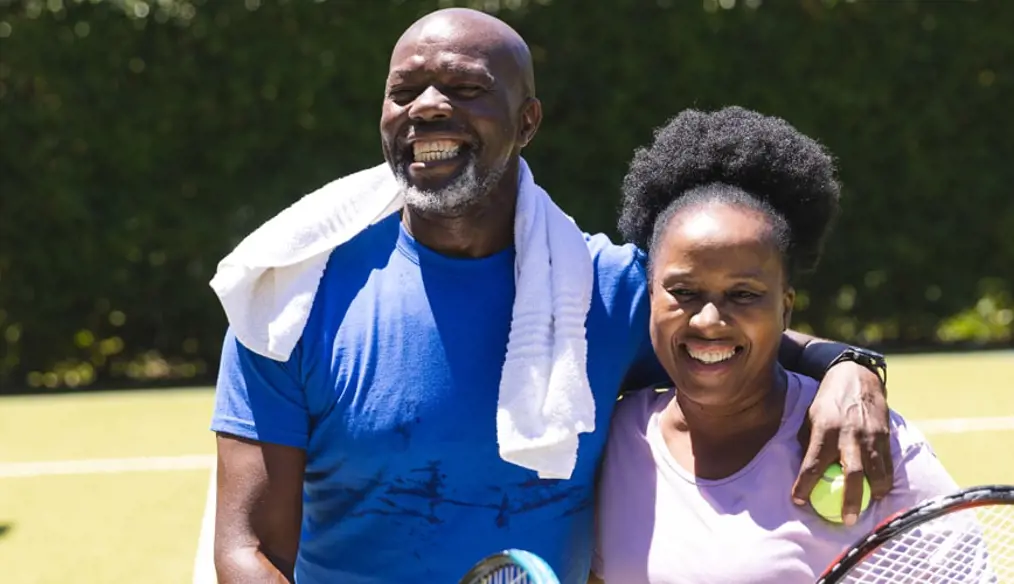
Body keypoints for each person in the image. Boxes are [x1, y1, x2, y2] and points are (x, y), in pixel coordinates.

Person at [207, 8, 895, 584]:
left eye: (464, 87)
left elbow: (728, 333)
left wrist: (847, 366)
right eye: (404, 89)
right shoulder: (289, 297)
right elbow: (249, 548)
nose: (427, 107)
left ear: (527, 121)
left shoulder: (602, 289)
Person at [591, 107, 958, 583]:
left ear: (786, 308)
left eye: (743, 295)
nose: (708, 320)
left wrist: (849, 364)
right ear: (650, 294)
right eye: (683, 292)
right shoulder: (618, 438)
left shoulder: (869, 442)